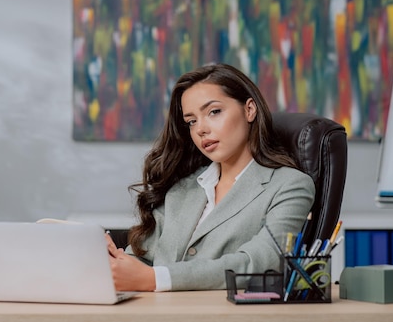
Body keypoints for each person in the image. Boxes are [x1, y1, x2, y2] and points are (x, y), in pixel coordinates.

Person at [106, 63, 315, 292]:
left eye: (214, 112)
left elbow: (262, 262)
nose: (200, 129)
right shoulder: (183, 188)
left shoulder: (289, 186)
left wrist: (156, 279)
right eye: (191, 121)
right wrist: (113, 263)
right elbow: (144, 260)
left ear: (249, 110)